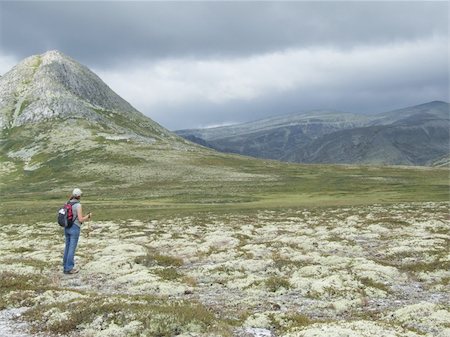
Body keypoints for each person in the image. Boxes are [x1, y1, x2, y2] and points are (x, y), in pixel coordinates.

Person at [63, 188, 92, 274]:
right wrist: (88, 216)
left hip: (67, 227)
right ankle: (69, 268)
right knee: (72, 248)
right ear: (79, 196)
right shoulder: (78, 205)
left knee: (67, 248)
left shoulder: (67, 203)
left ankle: (65, 266)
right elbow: (80, 219)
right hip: (75, 228)